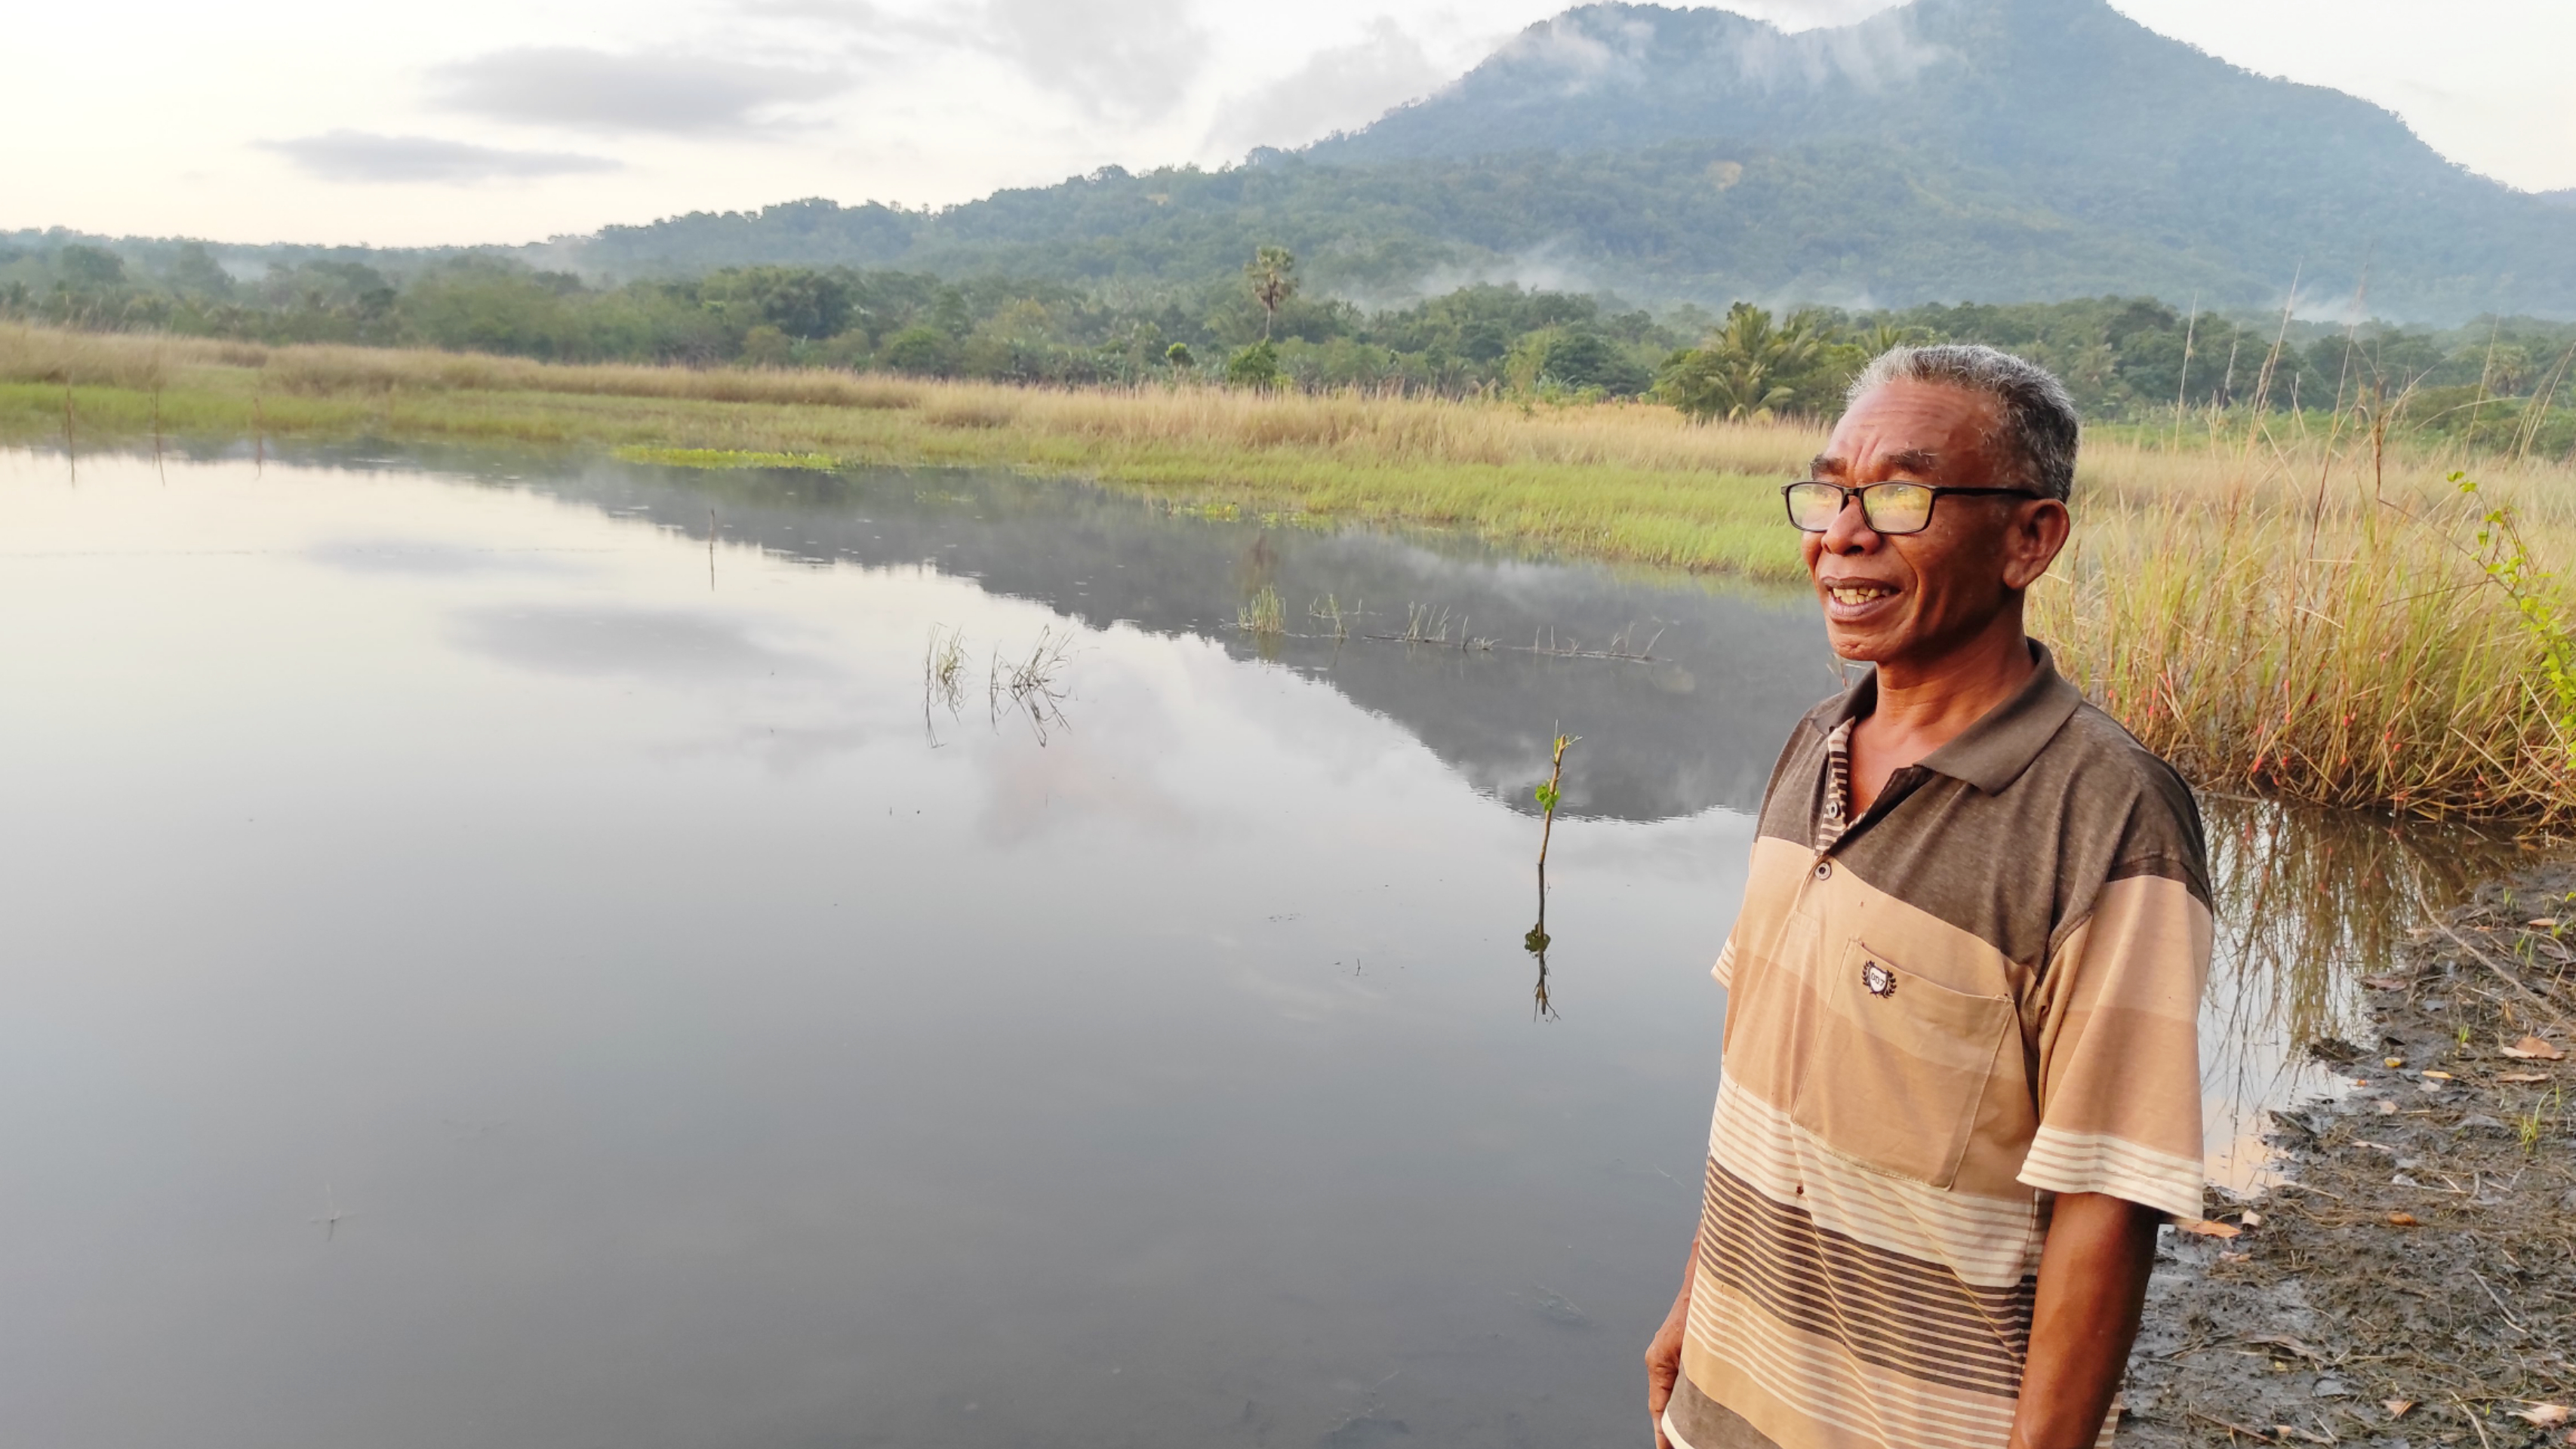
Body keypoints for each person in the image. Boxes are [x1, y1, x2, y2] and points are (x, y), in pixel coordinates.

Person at [1643, 345, 2211, 1449]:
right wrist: (1691, 1305)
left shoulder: (2105, 816)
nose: (1843, 535)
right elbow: (1760, 1077)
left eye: (1901, 495)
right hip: (1715, 1406)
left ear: (2028, 539)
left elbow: (2108, 1199)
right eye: (1831, 491)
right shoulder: (1814, 743)